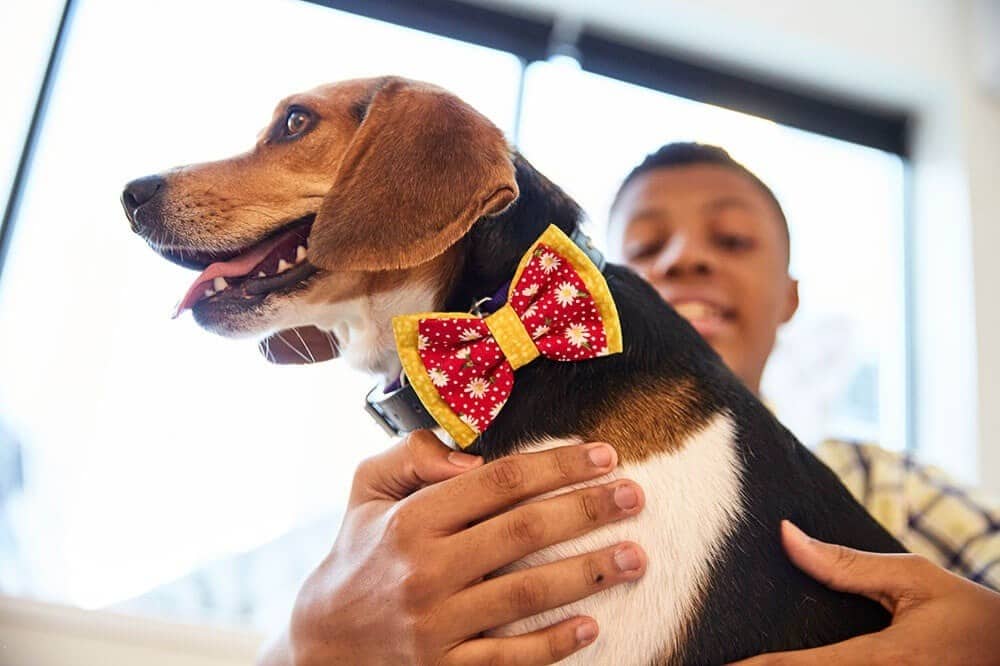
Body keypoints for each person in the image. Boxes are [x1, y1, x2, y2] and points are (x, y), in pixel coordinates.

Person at [260, 144, 1000, 665]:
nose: (683, 258)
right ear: (587, 284)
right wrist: (311, 647)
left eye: (734, 240)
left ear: (791, 298)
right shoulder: (421, 517)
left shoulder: (898, 491)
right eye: (644, 248)